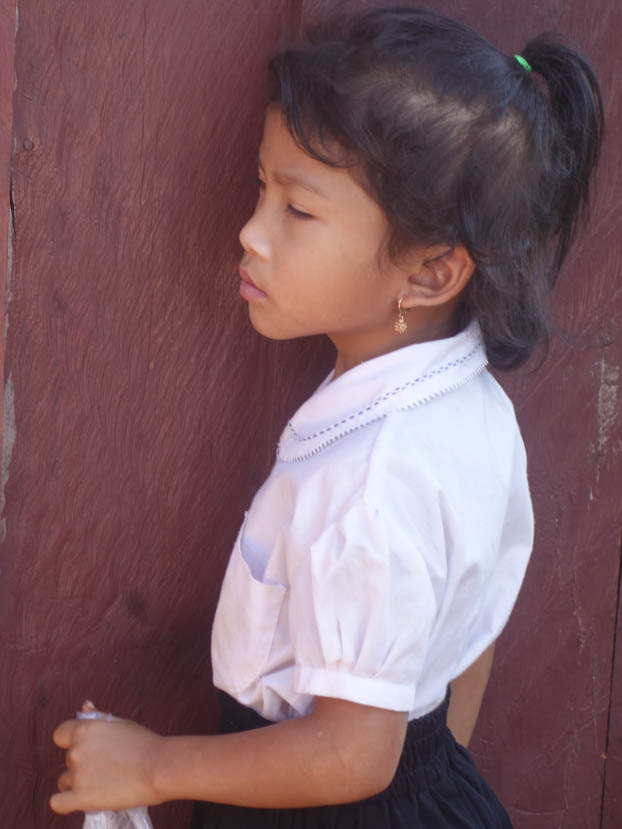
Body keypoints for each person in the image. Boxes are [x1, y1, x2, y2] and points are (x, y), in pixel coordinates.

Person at [50, 5, 604, 826]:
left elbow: (352, 755)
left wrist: (153, 767)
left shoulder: (371, 483)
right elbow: (469, 636)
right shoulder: (473, 407)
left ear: (431, 272)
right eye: (261, 187)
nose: (252, 232)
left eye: (298, 211)